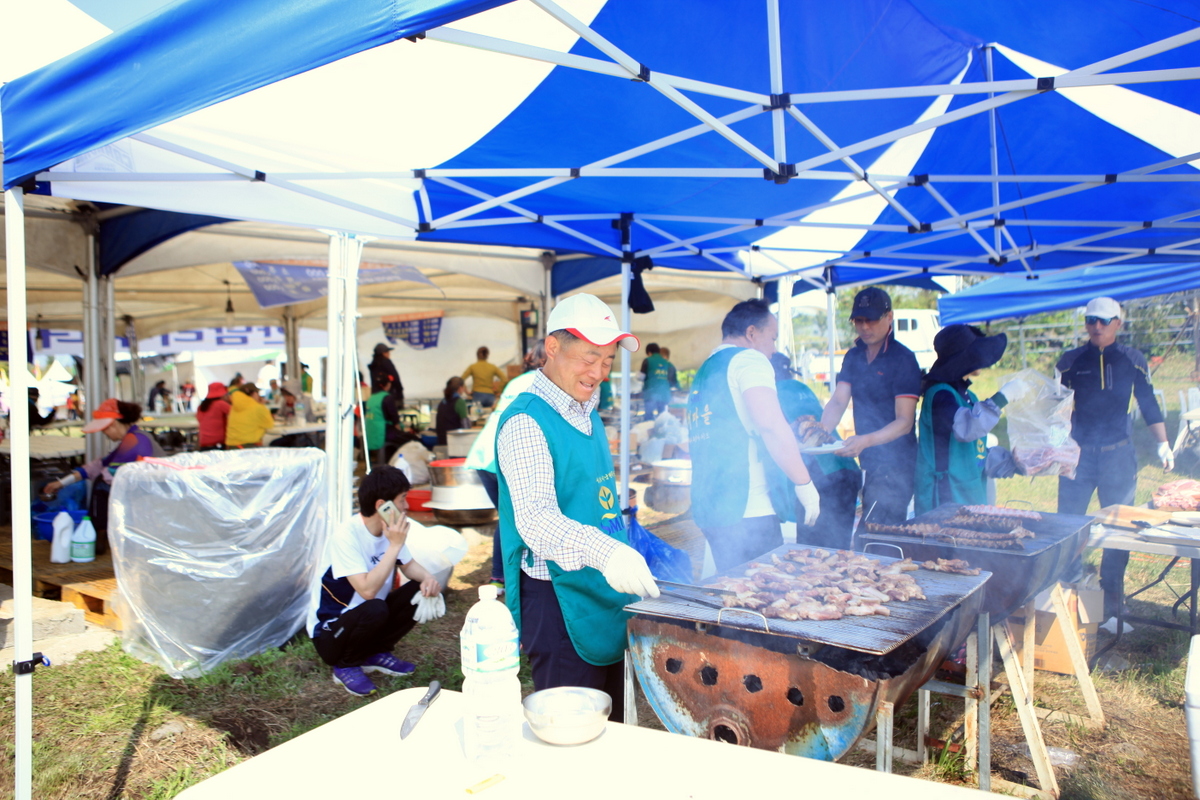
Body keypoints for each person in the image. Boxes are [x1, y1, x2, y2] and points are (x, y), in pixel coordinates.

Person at [495, 293, 659, 722]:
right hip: (558, 600)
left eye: (607, 361)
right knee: (570, 731)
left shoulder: (586, 412)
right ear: (552, 347)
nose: (599, 372)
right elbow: (535, 518)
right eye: (589, 356)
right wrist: (607, 551)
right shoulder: (527, 420)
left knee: (613, 724)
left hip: (603, 591)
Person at [1057, 297, 1172, 621]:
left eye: (1104, 321)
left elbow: (1148, 401)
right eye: (1091, 320)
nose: (1096, 326)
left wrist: (1163, 443)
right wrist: (1053, 448)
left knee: (1119, 529)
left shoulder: (1133, 360)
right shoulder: (1069, 361)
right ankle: (1070, 593)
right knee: (1069, 524)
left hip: (1117, 454)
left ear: (1118, 324)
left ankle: (1112, 602)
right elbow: (1056, 411)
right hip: (1078, 456)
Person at [688, 299, 820, 571]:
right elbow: (770, 424)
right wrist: (804, 483)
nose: (773, 350)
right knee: (762, 596)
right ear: (751, 333)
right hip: (748, 509)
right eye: (772, 339)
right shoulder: (748, 359)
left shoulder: (705, 370)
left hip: (710, 508)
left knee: (734, 597)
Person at [306, 466, 445, 697]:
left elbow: (409, 565)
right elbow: (367, 590)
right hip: (330, 633)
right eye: (402, 500)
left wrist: (429, 579)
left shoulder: (387, 531)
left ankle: (374, 653)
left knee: (414, 590)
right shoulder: (346, 536)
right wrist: (394, 545)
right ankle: (346, 664)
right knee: (374, 607)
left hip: (367, 615)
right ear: (383, 505)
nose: (407, 507)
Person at [820, 287, 921, 525]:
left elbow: (904, 422)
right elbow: (838, 401)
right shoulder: (853, 357)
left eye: (872, 320)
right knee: (871, 529)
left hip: (897, 464)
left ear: (889, 317)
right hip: (868, 461)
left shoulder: (903, 359)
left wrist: (866, 440)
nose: (865, 327)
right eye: (859, 321)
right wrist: (820, 433)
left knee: (878, 532)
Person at [465, 341, 547, 595]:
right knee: (510, 517)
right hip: (502, 455)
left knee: (509, 515)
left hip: (485, 454)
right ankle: (501, 577)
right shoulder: (544, 383)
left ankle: (505, 574)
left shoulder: (518, 381)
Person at [914, 325, 1021, 515]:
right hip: (944, 499)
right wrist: (1003, 397)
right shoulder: (940, 395)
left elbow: (976, 452)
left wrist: (1017, 463)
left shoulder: (968, 395)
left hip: (970, 494)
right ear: (963, 359)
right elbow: (967, 429)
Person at [768, 353, 862, 551]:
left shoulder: (769, 394)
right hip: (847, 469)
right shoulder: (802, 387)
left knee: (813, 553)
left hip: (821, 479)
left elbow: (777, 439)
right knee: (839, 550)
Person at [40, 399, 158, 554]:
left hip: (150, 498)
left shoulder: (134, 440)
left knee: (101, 484)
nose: (104, 433)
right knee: (100, 481)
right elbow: (97, 465)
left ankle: (98, 534)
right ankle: (98, 532)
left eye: (105, 429)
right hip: (144, 495)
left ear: (113, 423)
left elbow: (106, 474)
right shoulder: (133, 437)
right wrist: (61, 483)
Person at [365, 373, 404, 465]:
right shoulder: (387, 397)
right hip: (384, 433)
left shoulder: (371, 398)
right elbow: (394, 417)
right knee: (407, 439)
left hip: (371, 432)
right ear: (388, 384)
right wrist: (400, 427)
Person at [225, 382, 274, 447]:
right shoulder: (257, 407)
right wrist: (261, 405)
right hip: (247, 445)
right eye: (258, 393)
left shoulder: (235, 405)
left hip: (231, 445)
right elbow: (269, 424)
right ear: (253, 393)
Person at [640, 343, 673, 420]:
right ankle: (661, 431)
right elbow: (671, 379)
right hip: (664, 394)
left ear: (649, 353)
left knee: (649, 416)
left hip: (651, 394)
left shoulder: (647, 360)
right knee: (662, 417)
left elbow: (640, 377)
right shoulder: (667, 363)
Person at [195, 381, 231, 451]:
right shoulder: (220, 404)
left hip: (203, 443)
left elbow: (199, 420)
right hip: (217, 444)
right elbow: (236, 414)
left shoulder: (201, 406)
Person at [434, 376, 469, 446]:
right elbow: (465, 427)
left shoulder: (443, 402)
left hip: (442, 440)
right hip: (455, 442)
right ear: (460, 388)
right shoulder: (459, 402)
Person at [368, 345, 404, 409]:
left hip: (376, 396)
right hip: (389, 395)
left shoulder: (373, 365)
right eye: (387, 352)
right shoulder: (386, 362)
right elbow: (395, 377)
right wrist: (399, 392)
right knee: (390, 415)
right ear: (383, 353)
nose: (389, 354)